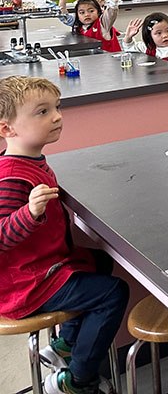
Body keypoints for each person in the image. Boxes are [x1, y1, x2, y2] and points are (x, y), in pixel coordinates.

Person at [0, 76, 129, 394]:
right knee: (114, 293)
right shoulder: (11, 177)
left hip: (43, 266)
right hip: (27, 285)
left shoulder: (29, 161)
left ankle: (66, 344)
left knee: (98, 262)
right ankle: (78, 380)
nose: (57, 116)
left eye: (56, 108)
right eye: (42, 112)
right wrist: (28, 214)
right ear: (7, 129)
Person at [57, 0, 124, 53]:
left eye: (91, 11)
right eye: (82, 12)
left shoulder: (103, 23)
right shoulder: (79, 24)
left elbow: (111, 12)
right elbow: (64, 17)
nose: (86, 14)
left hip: (109, 59)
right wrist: (62, 1)